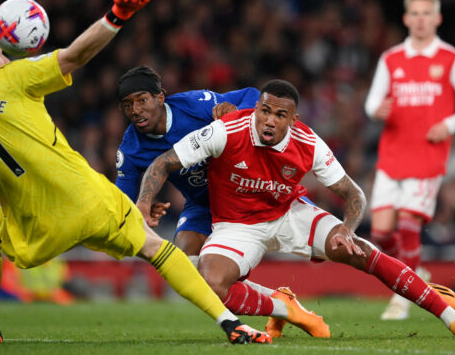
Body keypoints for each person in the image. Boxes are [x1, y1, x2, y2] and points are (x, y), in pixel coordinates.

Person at [0, 0, 270, 345]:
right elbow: (75, 54)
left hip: (33, 227)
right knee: (155, 247)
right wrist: (116, 15)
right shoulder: (13, 79)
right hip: (87, 201)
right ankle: (229, 322)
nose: (4, 57)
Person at [136, 79, 455, 339]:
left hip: (291, 214)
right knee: (211, 282)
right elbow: (162, 164)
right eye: (265, 111)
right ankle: (285, 306)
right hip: (237, 225)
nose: (269, 121)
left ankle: (452, 319)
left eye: (280, 115)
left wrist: (348, 227)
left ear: (293, 119)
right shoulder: (225, 131)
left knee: (357, 250)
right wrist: (143, 203)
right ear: (256, 108)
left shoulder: (308, 141)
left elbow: (353, 194)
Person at [114, 65, 319, 337]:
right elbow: (123, 202)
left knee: (224, 276)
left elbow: (252, 95)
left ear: (160, 97)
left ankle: (314, 232)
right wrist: (143, 205)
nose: (136, 110)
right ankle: (282, 305)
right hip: (202, 205)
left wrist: (233, 111)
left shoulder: (195, 104)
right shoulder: (130, 148)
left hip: (243, 195)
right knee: (190, 271)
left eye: (142, 100)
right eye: (128, 105)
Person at [364, 0, 455, 320]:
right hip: (392, 155)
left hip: (428, 157)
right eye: (414, 13)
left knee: (407, 224)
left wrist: (449, 124)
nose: (420, 19)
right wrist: (379, 110)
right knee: (381, 233)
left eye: (426, 13)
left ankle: (403, 297)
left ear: (437, 18)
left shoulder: (451, 58)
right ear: (405, 19)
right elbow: (371, 103)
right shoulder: (391, 58)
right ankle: (418, 275)